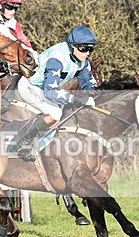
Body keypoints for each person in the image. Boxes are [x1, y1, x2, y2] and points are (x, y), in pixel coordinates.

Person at [8, 25, 100, 161]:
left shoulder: (82, 60)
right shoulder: (56, 59)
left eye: (90, 49)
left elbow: (87, 81)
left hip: (42, 88)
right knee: (55, 114)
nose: (87, 53)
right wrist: (78, 100)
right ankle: (20, 142)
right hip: (30, 85)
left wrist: (93, 93)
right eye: (83, 48)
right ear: (72, 46)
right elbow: (50, 92)